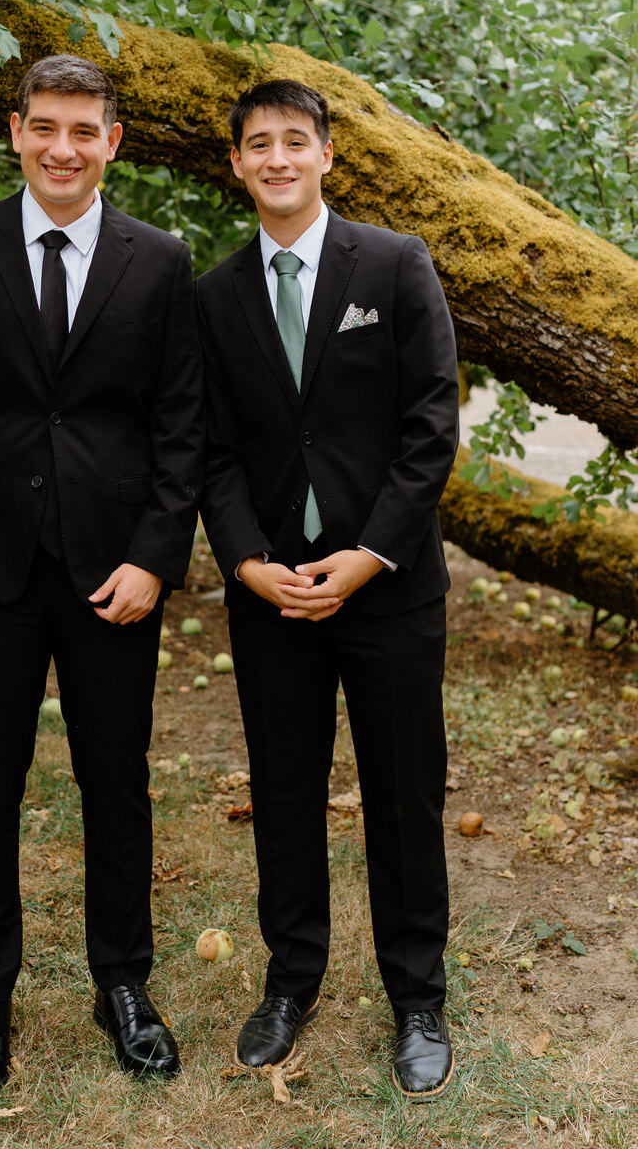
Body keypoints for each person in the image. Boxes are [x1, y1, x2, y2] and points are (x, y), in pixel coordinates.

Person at [0, 55, 204, 1098]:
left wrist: (157, 558)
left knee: (114, 780)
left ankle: (124, 984)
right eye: (45, 127)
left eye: (85, 129)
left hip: (114, 572)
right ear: (15, 132)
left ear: (114, 141)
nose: (63, 148)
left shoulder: (160, 260)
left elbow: (179, 428)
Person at [196, 79, 460, 1099]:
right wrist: (247, 560)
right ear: (236, 164)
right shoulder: (214, 296)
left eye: (293, 141)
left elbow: (431, 423)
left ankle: (417, 996)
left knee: (403, 794)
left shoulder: (393, 267)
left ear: (326, 154)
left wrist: (368, 556)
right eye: (256, 144)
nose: (276, 158)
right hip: (272, 593)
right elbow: (212, 449)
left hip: (387, 587)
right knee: (286, 791)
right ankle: (290, 977)